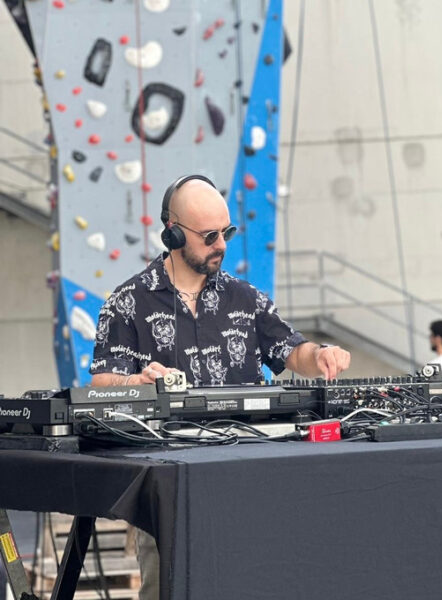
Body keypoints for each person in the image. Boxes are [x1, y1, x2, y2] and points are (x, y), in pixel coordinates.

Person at [90, 174, 351, 600]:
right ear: (173, 233)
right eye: (209, 236)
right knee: (169, 590)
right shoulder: (128, 302)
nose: (221, 245)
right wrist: (135, 382)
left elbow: (292, 350)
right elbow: (103, 382)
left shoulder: (245, 298)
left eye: (226, 233)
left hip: (249, 473)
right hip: (171, 483)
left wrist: (320, 354)